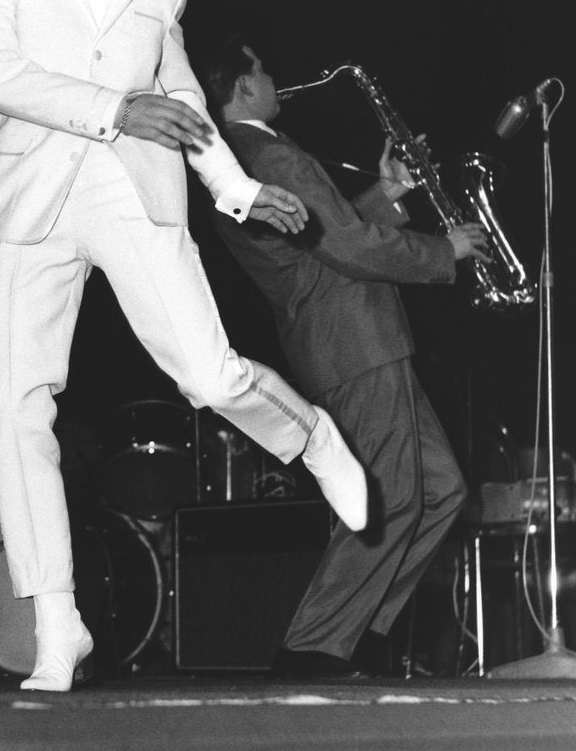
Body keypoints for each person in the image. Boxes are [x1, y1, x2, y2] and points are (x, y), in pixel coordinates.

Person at [0, 0, 366, 692]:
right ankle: (54, 622)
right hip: (36, 193)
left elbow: (176, 87)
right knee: (17, 410)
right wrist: (112, 108)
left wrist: (238, 186)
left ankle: (310, 435)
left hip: (131, 186)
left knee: (208, 376)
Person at [202, 37, 489, 677]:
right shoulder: (270, 154)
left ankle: (362, 633)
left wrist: (386, 193)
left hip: (354, 339)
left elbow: (316, 239)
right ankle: (312, 646)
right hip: (354, 340)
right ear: (244, 88)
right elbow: (349, 250)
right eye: (264, 69)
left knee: (440, 489)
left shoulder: (239, 158)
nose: (275, 79)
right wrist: (443, 250)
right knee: (391, 494)